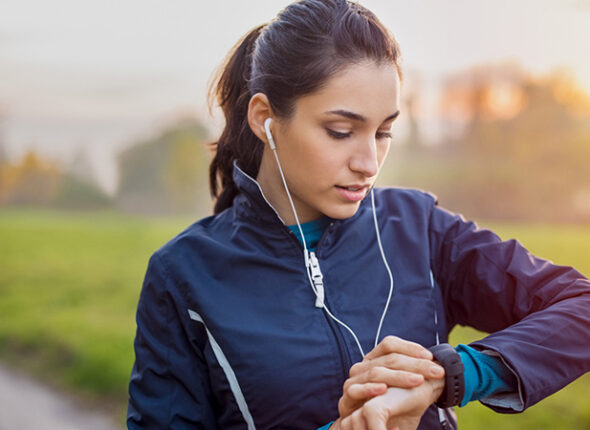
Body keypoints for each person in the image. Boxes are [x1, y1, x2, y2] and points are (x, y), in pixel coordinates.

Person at [126, 1, 590, 429]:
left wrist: (452, 374)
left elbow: (580, 306)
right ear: (264, 117)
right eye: (341, 131)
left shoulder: (418, 227)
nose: (368, 163)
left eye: (383, 132)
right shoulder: (182, 276)